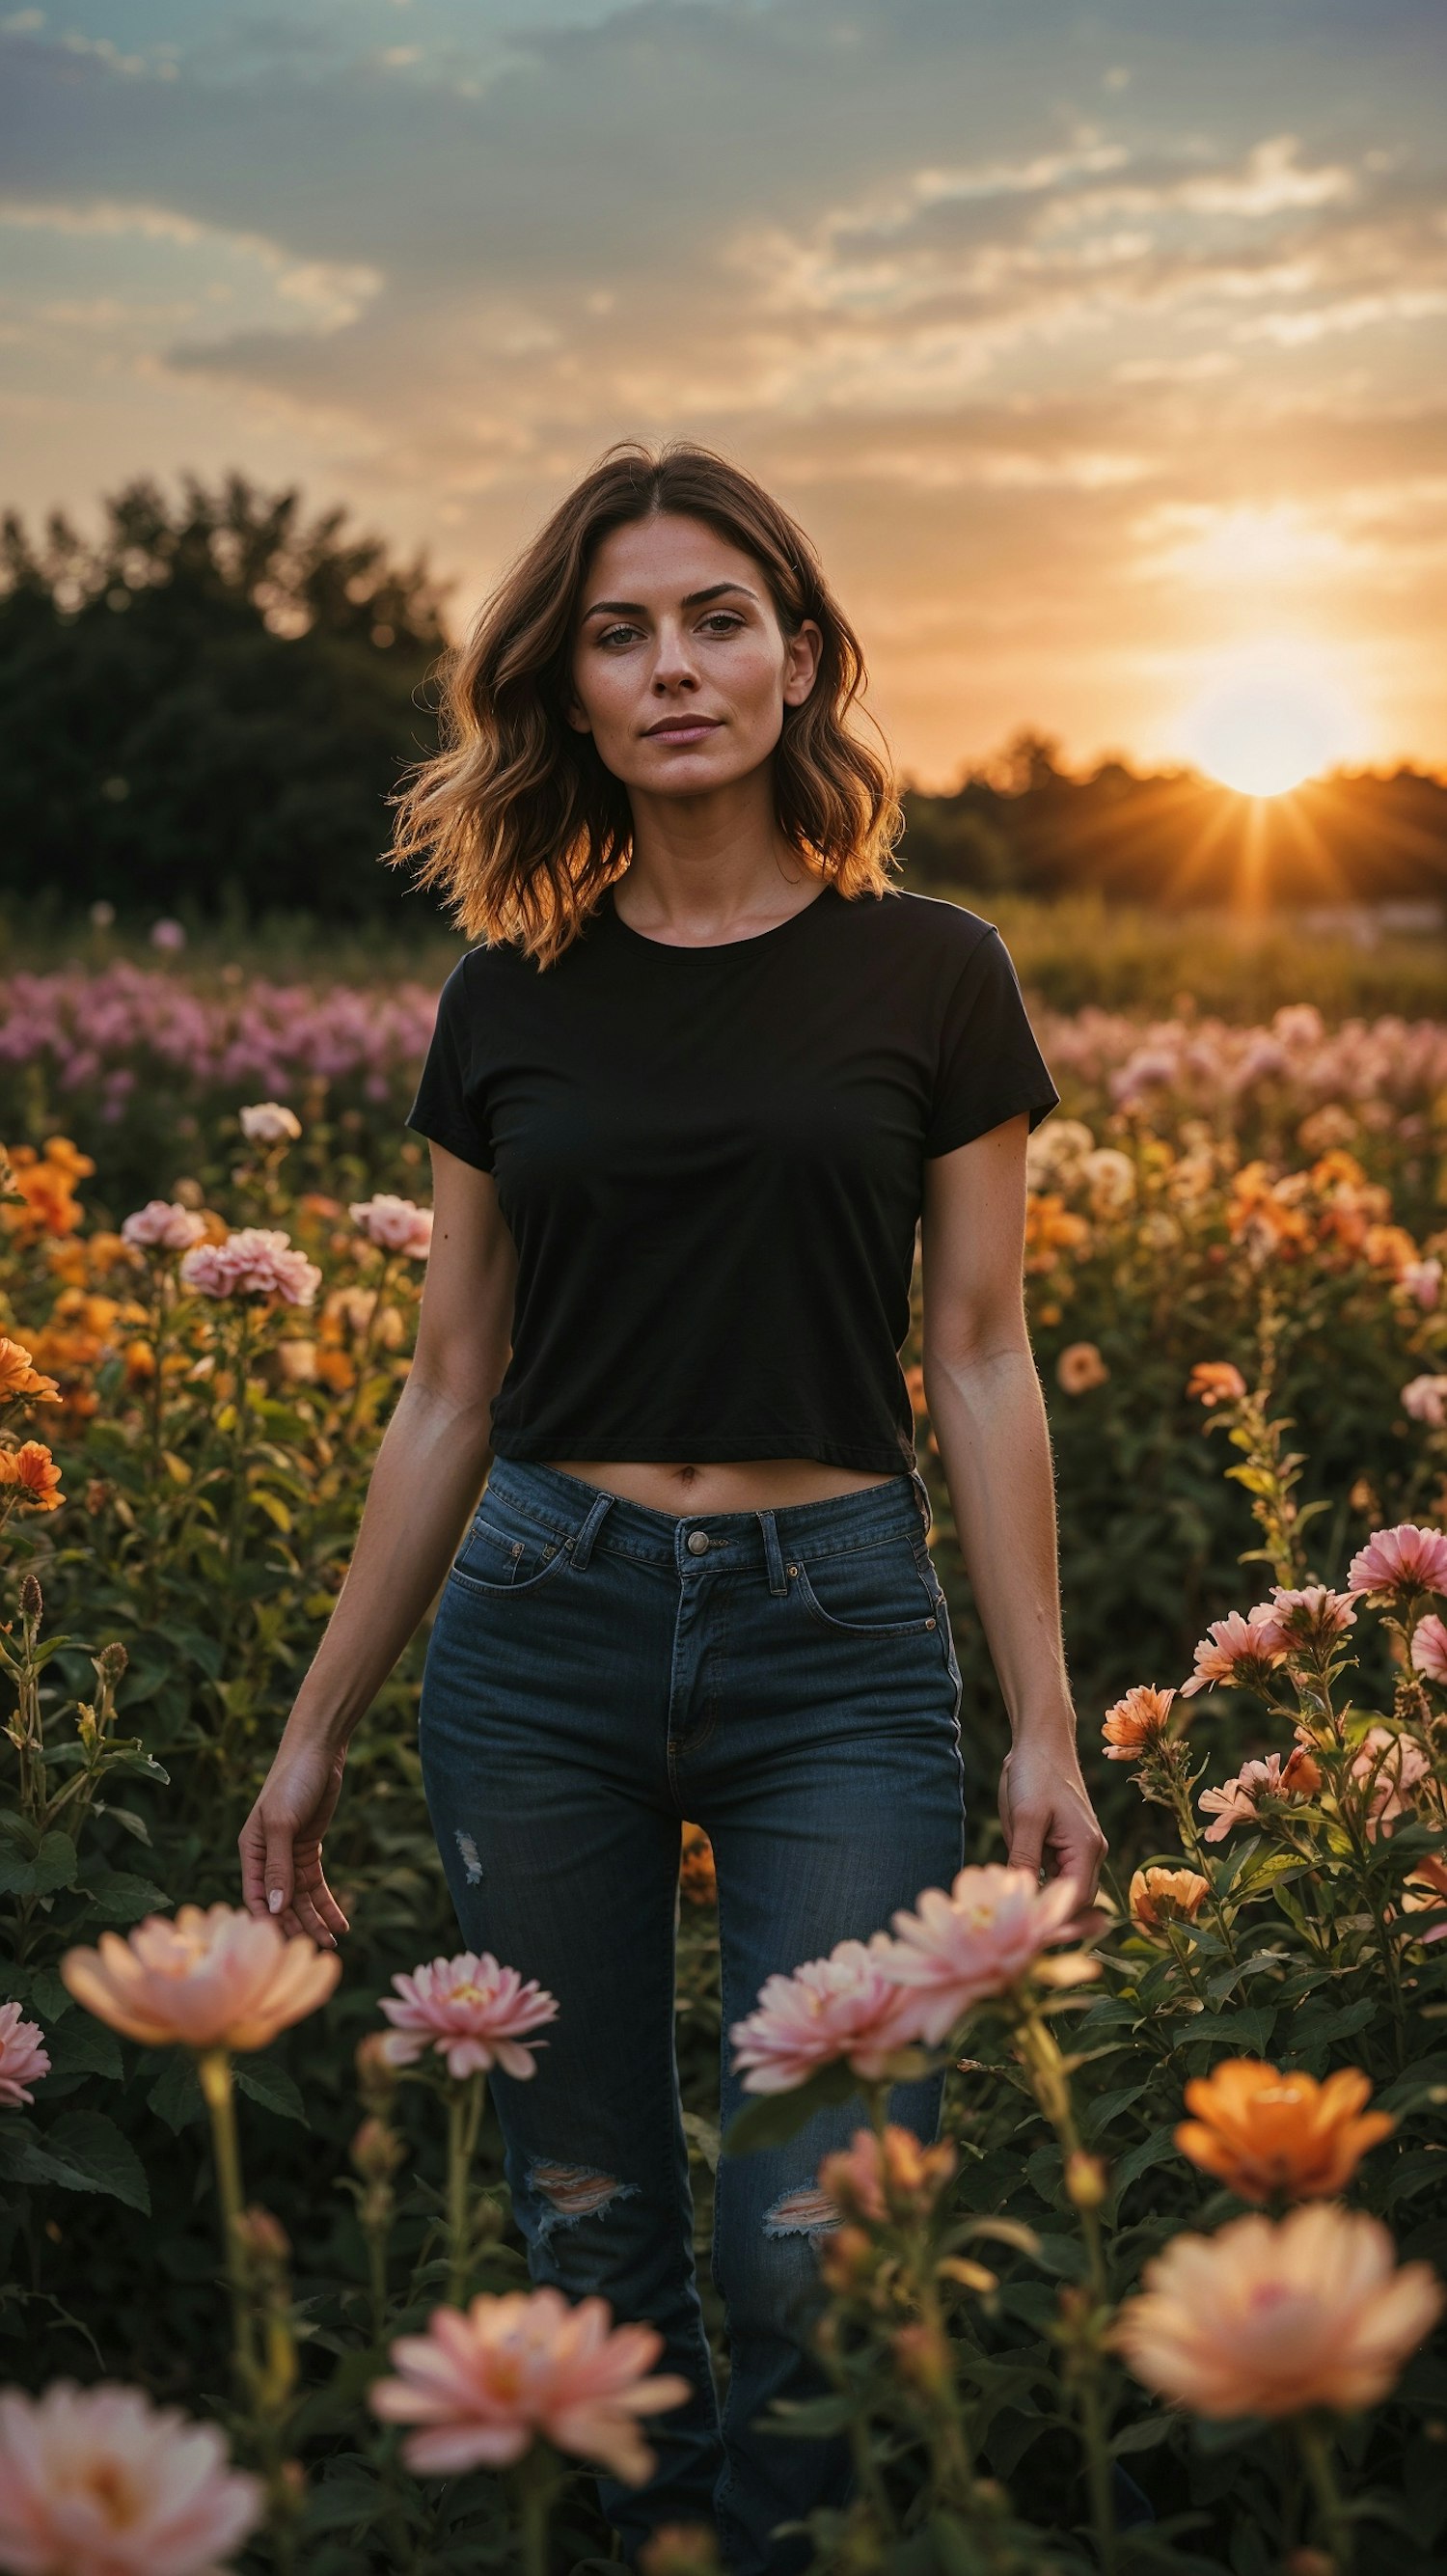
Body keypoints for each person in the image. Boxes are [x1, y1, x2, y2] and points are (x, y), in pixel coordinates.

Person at [239, 441, 1107, 2575]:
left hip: (841, 1637)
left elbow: (981, 1355)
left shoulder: (933, 972)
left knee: (819, 2233)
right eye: (619, 633)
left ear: (802, 661)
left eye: (718, 618)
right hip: (543, 1627)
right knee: (589, 2227)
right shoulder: (507, 1003)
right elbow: (451, 1386)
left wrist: (1046, 1719)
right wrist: (317, 1725)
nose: (674, 665)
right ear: (573, 690)